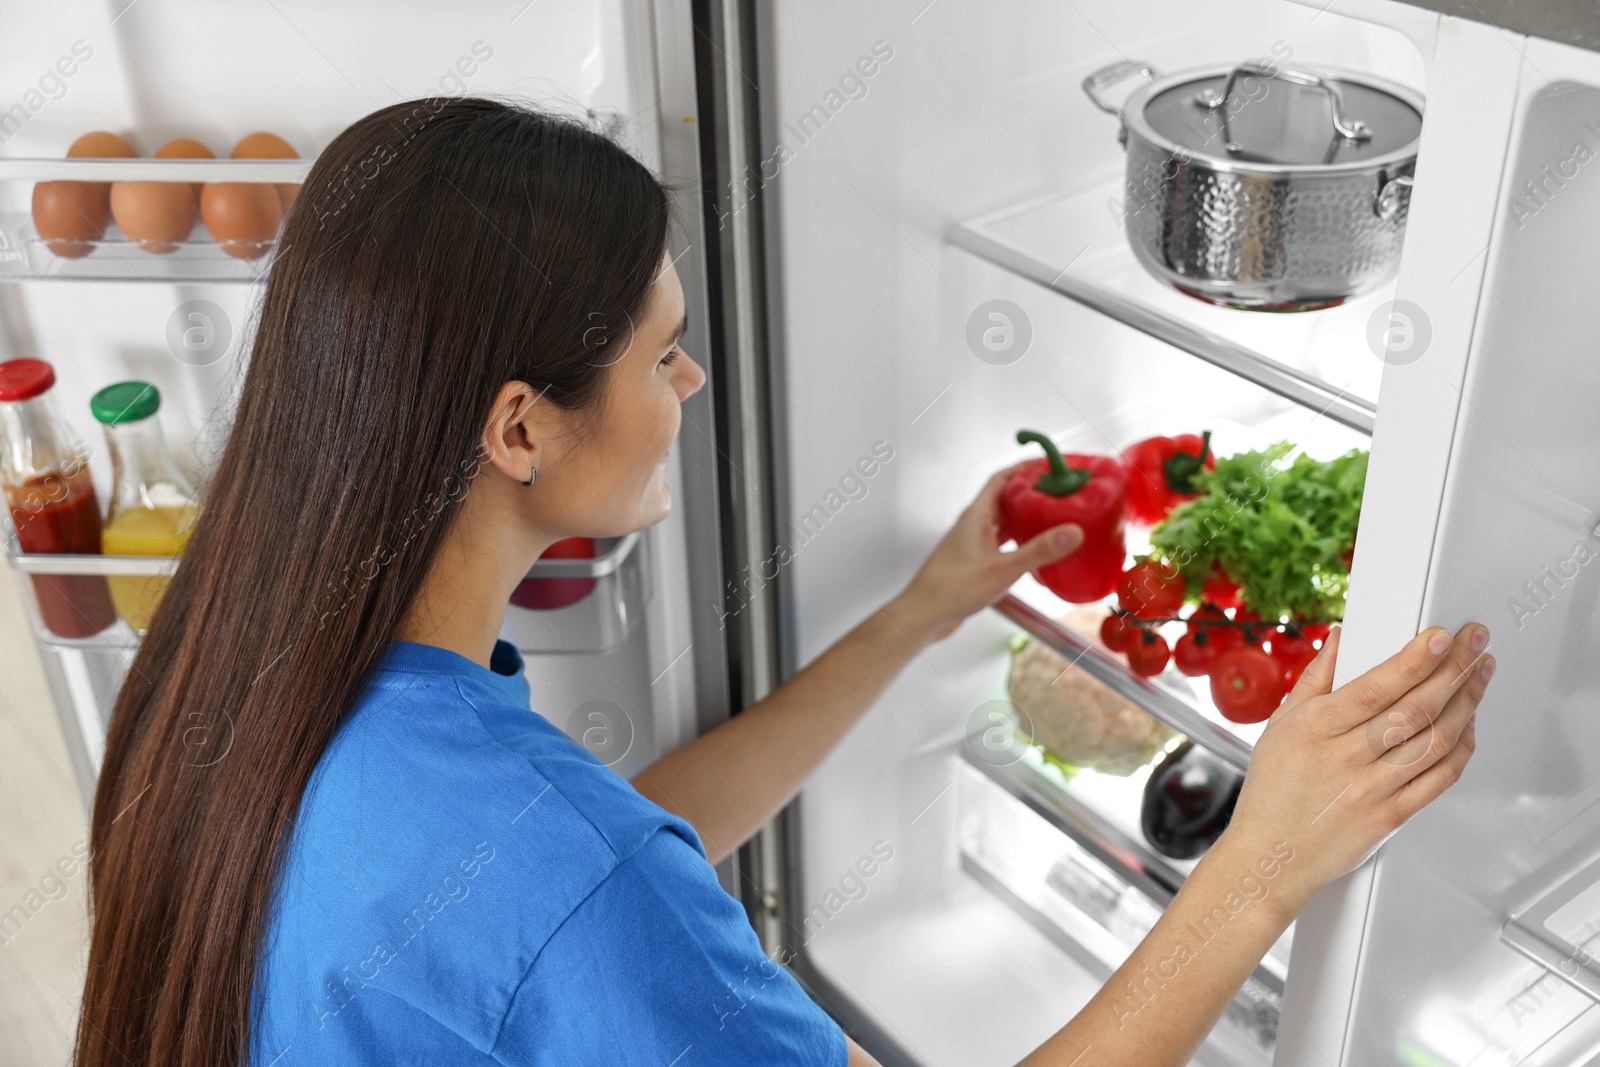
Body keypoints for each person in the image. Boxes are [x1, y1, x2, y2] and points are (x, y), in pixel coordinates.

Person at [75, 97, 1493, 1067]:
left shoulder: (232, 670)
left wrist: (916, 619)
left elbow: (572, 876)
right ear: (517, 427)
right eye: (659, 350)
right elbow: (585, 889)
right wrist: (1261, 869)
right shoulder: (565, 870)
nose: (689, 378)